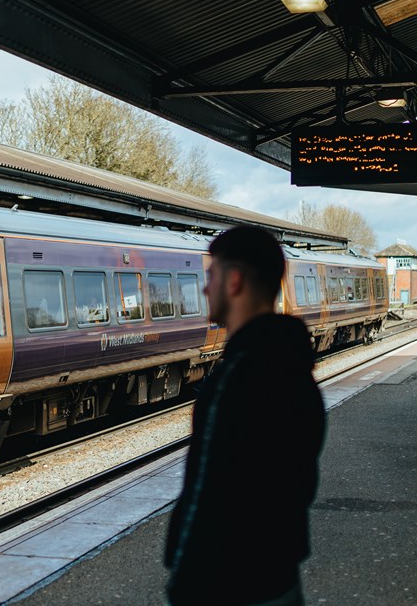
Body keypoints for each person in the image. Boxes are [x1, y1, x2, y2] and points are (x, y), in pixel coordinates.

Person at [165, 226, 326, 606]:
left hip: (229, 584)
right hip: (277, 574)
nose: (205, 289)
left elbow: (207, 489)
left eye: (211, 277)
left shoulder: (239, 376)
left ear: (234, 281)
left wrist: (184, 579)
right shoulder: (291, 365)